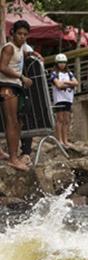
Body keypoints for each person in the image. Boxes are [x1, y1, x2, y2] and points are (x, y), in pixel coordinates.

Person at [0, 20, 33, 171]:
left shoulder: (21, 48)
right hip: (7, 87)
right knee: (11, 122)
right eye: (19, 33)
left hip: (16, 87)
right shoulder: (9, 48)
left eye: (25, 34)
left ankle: (16, 155)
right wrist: (21, 77)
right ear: (13, 33)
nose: (22, 37)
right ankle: (13, 158)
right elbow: (2, 67)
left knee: (18, 122)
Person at [50, 53, 78, 147]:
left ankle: (65, 139)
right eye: (60, 62)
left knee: (66, 120)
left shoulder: (69, 73)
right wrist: (70, 84)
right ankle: (59, 139)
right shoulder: (54, 73)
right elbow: (58, 85)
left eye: (64, 62)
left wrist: (65, 82)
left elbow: (76, 82)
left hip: (68, 98)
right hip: (59, 99)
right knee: (59, 119)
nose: (62, 64)